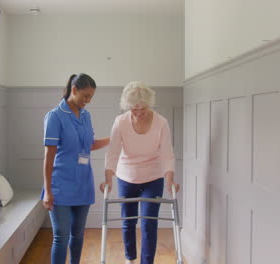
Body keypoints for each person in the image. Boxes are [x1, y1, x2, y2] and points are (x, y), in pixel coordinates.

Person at [100, 81, 180, 264]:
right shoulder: (120, 122)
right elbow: (112, 152)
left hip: (153, 177)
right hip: (126, 177)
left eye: (142, 109)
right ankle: (130, 258)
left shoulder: (161, 123)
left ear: (149, 104)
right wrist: (108, 180)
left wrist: (170, 180)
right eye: (133, 110)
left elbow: (167, 153)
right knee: (128, 222)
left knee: (149, 224)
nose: (137, 113)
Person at [42, 73, 110, 264]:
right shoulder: (55, 116)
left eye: (91, 97)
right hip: (60, 186)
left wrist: (114, 138)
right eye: (85, 96)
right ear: (74, 90)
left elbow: (89, 144)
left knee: (78, 234)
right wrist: (47, 191)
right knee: (61, 236)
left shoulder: (86, 116)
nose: (88, 101)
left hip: (83, 184)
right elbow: (49, 156)